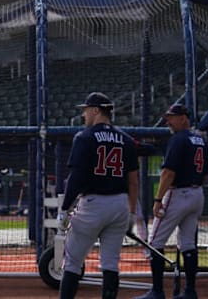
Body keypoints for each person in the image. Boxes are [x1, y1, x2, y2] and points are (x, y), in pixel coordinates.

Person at [57, 92, 139, 299]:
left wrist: (65, 208)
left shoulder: (84, 137)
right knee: (110, 262)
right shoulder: (127, 140)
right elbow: (133, 180)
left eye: (86, 110)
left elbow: (75, 178)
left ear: (95, 110)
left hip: (93, 204)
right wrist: (131, 211)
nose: (84, 115)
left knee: (73, 262)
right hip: (120, 203)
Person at [136, 104, 208, 299]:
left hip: (178, 194)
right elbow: (205, 176)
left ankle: (157, 291)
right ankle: (190, 291)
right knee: (188, 244)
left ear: (184, 118)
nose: (168, 121)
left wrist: (158, 199)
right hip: (197, 194)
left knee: (154, 242)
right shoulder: (201, 140)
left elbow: (168, 172)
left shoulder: (178, 139)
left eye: (172, 117)